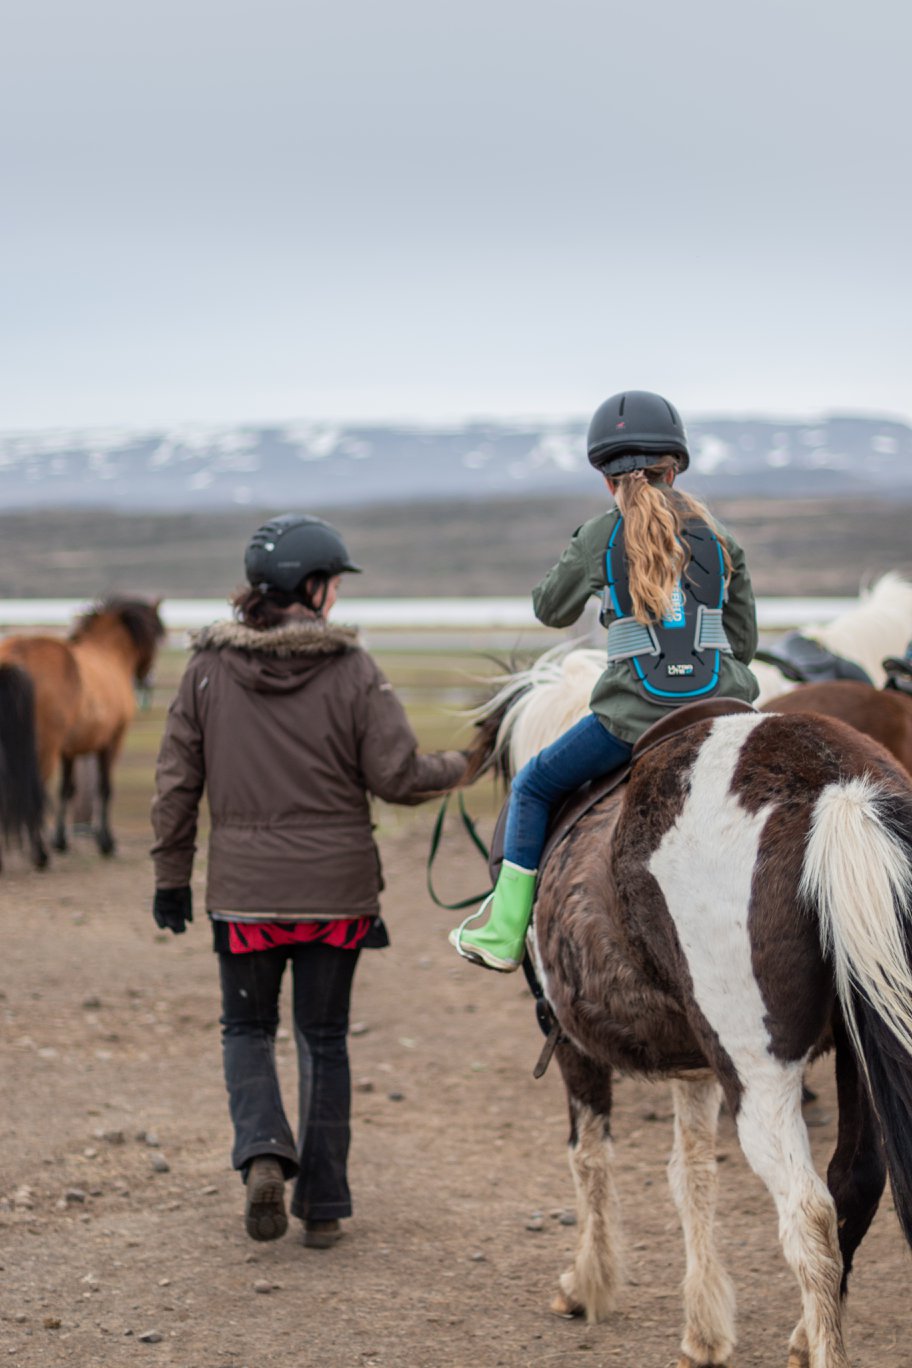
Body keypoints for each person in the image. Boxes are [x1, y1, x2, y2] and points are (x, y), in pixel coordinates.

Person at [151, 514, 467, 1247]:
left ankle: (264, 1150)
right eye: (333, 581)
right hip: (337, 898)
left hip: (245, 900)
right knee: (324, 1039)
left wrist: (171, 878)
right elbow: (396, 776)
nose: (336, 595)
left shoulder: (205, 669)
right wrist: (468, 762)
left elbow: (174, 784)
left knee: (247, 1029)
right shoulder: (354, 669)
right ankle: (323, 1206)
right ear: (314, 586)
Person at [450, 389, 759, 972]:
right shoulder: (721, 538)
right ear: (674, 468)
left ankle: (504, 931)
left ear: (606, 479)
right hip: (724, 709)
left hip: (632, 719)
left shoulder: (599, 535)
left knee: (534, 785)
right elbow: (741, 644)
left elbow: (550, 609)